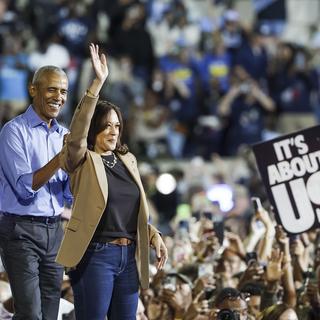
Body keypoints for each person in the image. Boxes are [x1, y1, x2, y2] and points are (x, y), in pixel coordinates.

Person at [56, 44, 168, 320]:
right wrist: (97, 84)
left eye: (117, 125)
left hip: (128, 256)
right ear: (95, 129)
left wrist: (154, 235)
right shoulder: (81, 159)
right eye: (106, 125)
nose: (113, 131)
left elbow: (130, 211)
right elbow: (78, 130)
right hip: (96, 255)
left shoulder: (128, 161)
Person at [0, 61, 72, 317]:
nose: (59, 97)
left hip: (55, 232)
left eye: (63, 91)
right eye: (52, 89)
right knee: (31, 313)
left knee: (50, 312)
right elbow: (24, 188)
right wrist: (60, 160)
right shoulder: (13, 132)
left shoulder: (65, 135)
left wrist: (76, 168)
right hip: (20, 231)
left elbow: (67, 194)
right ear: (33, 89)